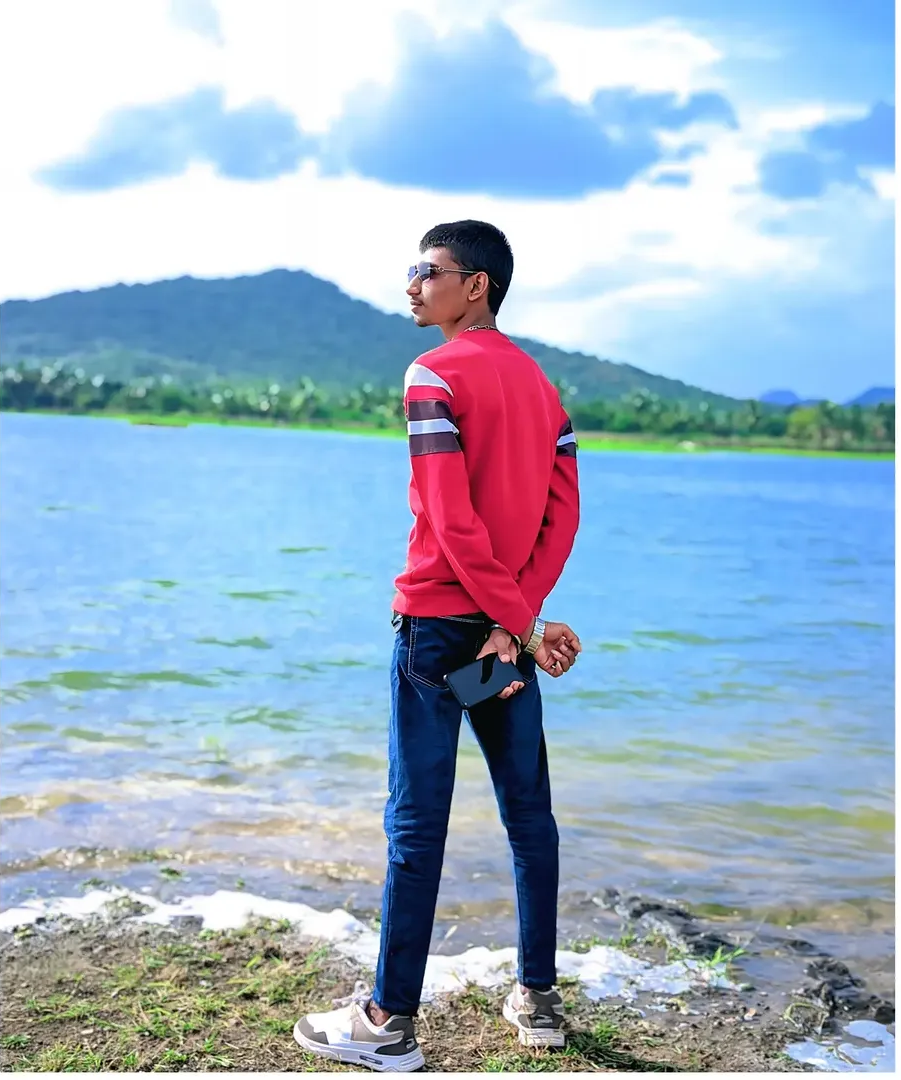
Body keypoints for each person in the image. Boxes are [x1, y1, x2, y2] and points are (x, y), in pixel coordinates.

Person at [294, 220, 582, 1071]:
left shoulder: (432, 373)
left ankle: (388, 1022)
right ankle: (537, 998)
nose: (412, 284)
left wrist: (514, 621)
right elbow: (562, 518)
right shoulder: (546, 392)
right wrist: (519, 621)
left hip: (438, 630)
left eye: (428, 269)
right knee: (530, 816)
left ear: (476, 284)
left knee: (415, 824)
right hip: (500, 635)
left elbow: (452, 525)